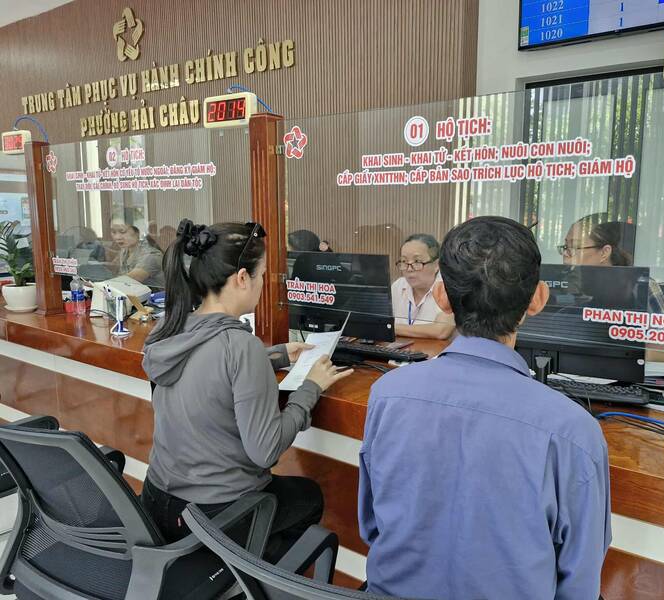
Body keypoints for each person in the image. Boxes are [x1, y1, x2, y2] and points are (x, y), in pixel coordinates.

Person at [359, 216, 611, 600]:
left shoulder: (388, 394)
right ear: (539, 298)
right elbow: (579, 583)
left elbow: (374, 528)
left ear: (443, 297)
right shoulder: (572, 430)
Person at [141, 220, 353, 557]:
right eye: (263, 274)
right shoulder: (240, 346)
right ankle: (244, 578)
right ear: (242, 278)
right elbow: (265, 451)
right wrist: (310, 388)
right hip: (214, 514)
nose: (265, 283)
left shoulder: (169, 329)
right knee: (309, 497)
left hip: (156, 501)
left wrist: (277, 355)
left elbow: (209, 370)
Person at [560, 213, 664, 315]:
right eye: (565, 247)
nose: (565, 256)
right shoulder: (566, 284)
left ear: (604, 253)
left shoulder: (642, 288)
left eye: (574, 247)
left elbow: (662, 351)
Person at [390, 233, 454, 340]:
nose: (409, 269)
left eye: (417, 261)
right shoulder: (398, 286)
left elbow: (441, 331)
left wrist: (392, 328)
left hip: (436, 354)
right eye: (404, 261)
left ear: (437, 265)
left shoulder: (447, 287)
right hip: (401, 353)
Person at [110, 221, 165, 289]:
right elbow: (112, 268)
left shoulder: (151, 255)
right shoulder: (125, 251)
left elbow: (129, 280)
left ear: (137, 233)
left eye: (122, 232)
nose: (117, 237)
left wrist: (100, 286)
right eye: (114, 232)